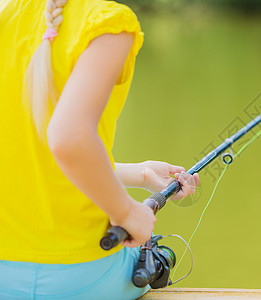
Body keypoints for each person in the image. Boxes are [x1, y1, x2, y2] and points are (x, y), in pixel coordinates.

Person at [0, 0, 199, 299]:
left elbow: (37, 160)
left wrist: (140, 173)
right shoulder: (109, 23)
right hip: (81, 276)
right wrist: (127, 212)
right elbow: (68, 138)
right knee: (155, 256)